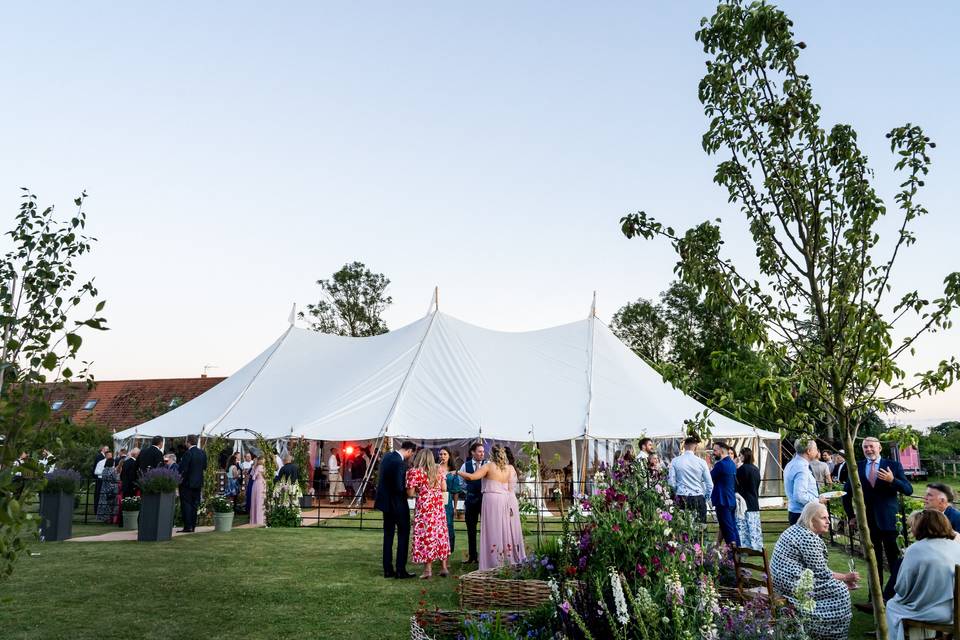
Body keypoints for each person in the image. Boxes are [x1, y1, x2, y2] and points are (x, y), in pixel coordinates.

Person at [770, 501, 858, 640]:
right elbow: (821, 573)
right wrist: (846, 577)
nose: (828, 521)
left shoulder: (797, 529)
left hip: (783, 579)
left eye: (828, 517)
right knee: (840, 591)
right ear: (811, 520)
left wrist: (840, 579)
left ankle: (816, 628)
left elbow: (818, 571)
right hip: (792, 583)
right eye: (823, 518)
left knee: (837, 586)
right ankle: (824, 631)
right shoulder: (807, 537)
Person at [843, 436, 913, 602]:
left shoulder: (893, 466)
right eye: (865, 447)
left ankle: (895, 597)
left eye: (871, 447)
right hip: (867, 523)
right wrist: (851, 516)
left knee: (895, 562)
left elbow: (908, 489)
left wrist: (892, 480)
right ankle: (873, 598)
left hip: (890, 523)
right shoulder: (856, 467)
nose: (868, 450)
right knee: (872, 563)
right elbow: (846, 495)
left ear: (879, 448)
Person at [885, 510, 960, 640]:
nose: (911, 529)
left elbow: (902, 588)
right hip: (955, 610)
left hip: (934, 612)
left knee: (892, 605)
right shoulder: (956, 547)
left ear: (922, 526)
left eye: (913, 526)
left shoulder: (916, 549)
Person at [458, 444, 526, 571]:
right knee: (505, 529)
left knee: (493, 529)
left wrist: (457, 472)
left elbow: (471, 477)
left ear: (491, 455)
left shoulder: (488, 466)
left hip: (491, 501)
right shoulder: (510, 468)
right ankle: (507, 557)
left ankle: (493, 560)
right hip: (506, 499)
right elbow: (511, 489)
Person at [375, 441, 417, 579]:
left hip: (386, 505)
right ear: (410, 451)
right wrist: (410, 493)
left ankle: (387, 569)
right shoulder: (400, 463)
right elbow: (399, 487)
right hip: (398, 504)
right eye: (412, 454)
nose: (410, 457)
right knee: (403, 535)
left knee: (388, 536)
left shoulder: (387, 457)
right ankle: (400, 570)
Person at [406, 449, 450, 578]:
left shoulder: (415, 472)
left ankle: (428, 570)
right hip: (438, 507)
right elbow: (444, 488)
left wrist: (421, 491)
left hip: (425, 507)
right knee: (440, 535)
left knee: (426, 536)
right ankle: (444, 568)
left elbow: (410, 493)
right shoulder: (439, 469)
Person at [667, 436, 713, 523]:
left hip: (681, 497)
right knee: (700, 528)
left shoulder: (675, 461)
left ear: (684, 446)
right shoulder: (701, 462)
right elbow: (709, 484)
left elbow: (671, 482)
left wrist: (676, 491)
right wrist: (705, 498)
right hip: (698, 497)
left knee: (681, 528)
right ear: (695, 446)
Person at [784, 437, 825, 525]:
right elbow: (800, 496)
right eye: (815, 448)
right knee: (808, 539)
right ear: (809, 451)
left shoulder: (791, 464)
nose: (817, 451)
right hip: (803, 514)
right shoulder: (802, 468)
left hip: (796, 512)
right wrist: (818, 500)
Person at [459, 441, 486, 564]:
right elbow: (461, 482)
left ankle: (486, 556)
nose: (482, 453)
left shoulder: (488, 464)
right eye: (479, 451)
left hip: (485, 500)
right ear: (473, 452)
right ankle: (472, 556)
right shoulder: (466, 465)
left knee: (487, 528)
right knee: (471, 529)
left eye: (483, 451)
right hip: (470, 500)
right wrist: (469, 490)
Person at [710, 441, 740, 547]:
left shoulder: (721, 465)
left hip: (723, 501)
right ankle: (738, 553)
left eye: (715, 450)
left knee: (728, 529)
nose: (713, 453)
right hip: (730, 500)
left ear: (721, 451)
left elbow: (709, 477)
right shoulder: (731, 463)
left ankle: (733, 556)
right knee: (732, 526)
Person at [177, 434, 207, 533]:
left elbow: (183, 469)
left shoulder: (188, 453)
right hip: (198, 483)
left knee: (186, 504)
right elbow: (204, 467)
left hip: (187, 483)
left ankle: (187, 526)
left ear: (188, 442)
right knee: (194, 504)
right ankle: (193, 526)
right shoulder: (202, 453)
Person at [735, 447, 763, 551]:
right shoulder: (756, 469)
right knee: (754, 526)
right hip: (754, 500)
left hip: (744, 501)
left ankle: (745, 546)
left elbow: (737, 485)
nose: (739, 457)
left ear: (744, 455)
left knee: (744, 526)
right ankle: (756, 545)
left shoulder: (742, 469)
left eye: (740, 455)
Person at [439, 447, 463, 556]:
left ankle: (447, 553)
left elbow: (456, 492)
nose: (442, 456)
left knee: (448, 526)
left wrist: (455, 507)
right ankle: (437, 552)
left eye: (444, 454)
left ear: (449, 456)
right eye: (440, 454)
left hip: (447, 501)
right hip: (435, 501)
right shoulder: (435, 468)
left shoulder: (453, 472)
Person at [96, 459, 120, 524]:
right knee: (112, 504)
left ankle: (104, 518)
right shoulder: (113, 470)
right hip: (112, 488)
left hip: (104, 488)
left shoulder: (104, 470)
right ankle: (110, 518)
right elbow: (116, 479)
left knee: (104, 503)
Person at [249, 456, 267, 526]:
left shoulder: (254, 467)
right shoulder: (261, 467)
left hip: (255, 484)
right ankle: (260, 519)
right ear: (261, 460)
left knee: (255, 501)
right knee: (260, 501)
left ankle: (254, 519)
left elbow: (252, 476)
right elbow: (265, 476)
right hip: (261, 484)